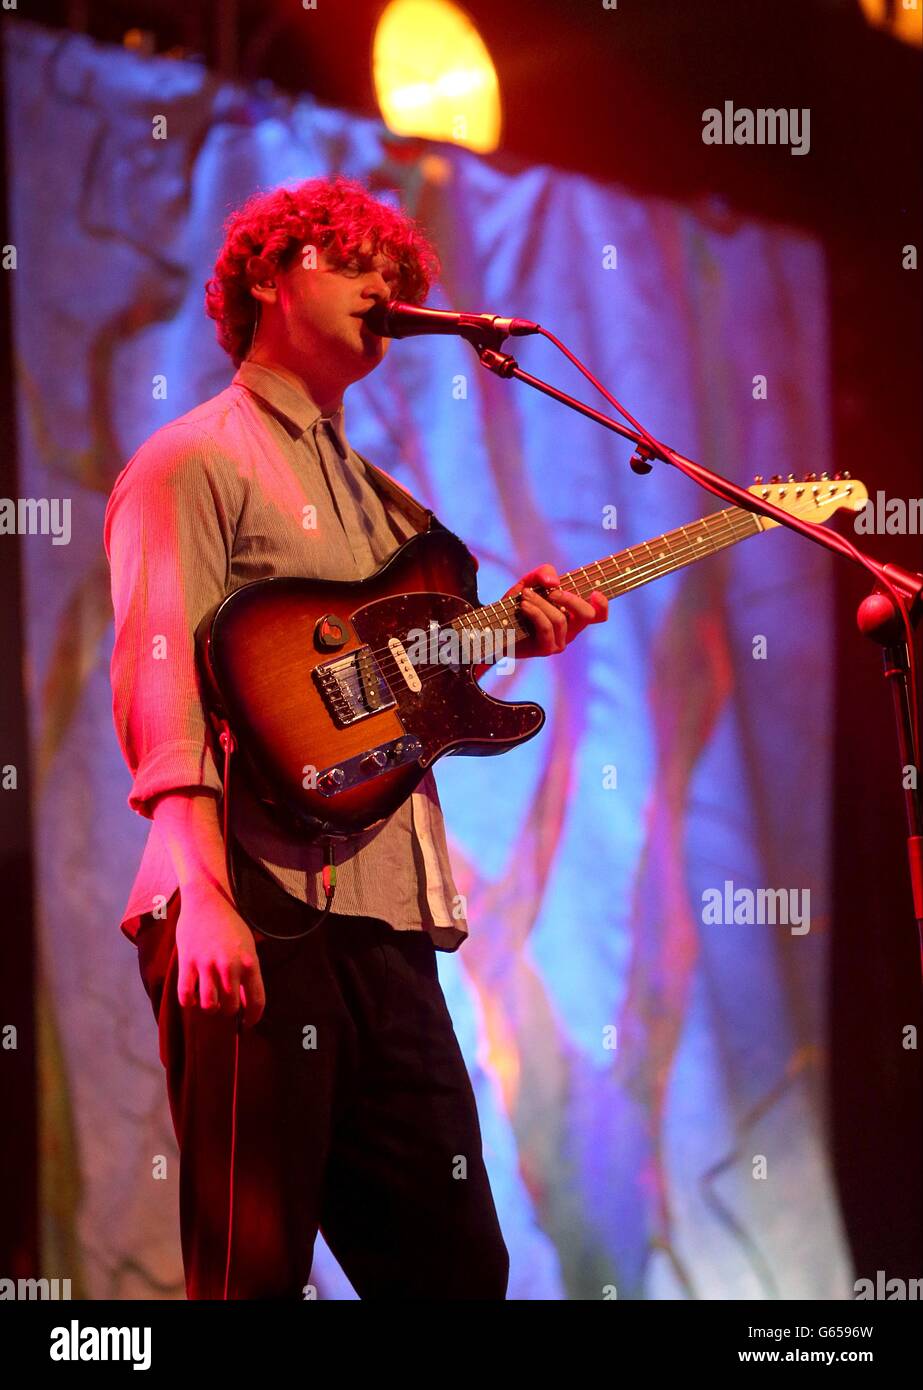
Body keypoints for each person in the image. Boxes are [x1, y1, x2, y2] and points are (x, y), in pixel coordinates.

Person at [104, 175, 608, 1300]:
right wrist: (202, 895)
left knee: (456, 1273)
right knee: (251, 1272)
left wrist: (513, 633)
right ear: (269, 278)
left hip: (387, 922)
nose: (386, 289)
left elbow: (384, 689)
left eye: (399, 276)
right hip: (250, 899)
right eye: (354, 265)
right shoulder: (193, 460)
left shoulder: (385, 505)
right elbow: (154, 675)